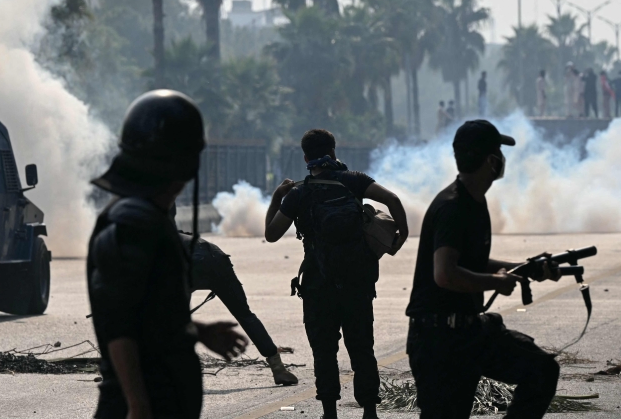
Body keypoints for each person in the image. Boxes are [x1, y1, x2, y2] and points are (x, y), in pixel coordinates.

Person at [87, 91, 249, 419]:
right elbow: (120, 325)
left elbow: (148, 314)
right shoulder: (134, 221)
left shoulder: (147, 216)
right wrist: (139, 406)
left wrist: (197, 331)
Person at [406, 120, 561, 419]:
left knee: (542, 370)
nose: (503, 159)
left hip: (468, 333)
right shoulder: (453, 207)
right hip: (438, 341)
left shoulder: (475, 202)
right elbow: (445, 274)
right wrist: (494, 282)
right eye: (499, 152)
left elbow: (471, 263)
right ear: (492, 161)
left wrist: (528, 269)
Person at [265, 130, 410, 419]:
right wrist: (401, 236)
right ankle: (369, 411)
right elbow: (392, 199)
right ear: (333, 151)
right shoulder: (354, 180)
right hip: (357, 280)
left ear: (306, 158)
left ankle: (330, 412)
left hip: (318, 284)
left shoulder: (299, 193)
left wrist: (276, 197)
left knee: (324, 350)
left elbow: (271, 234)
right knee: (362, 348)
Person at [182, 233, 298, 386]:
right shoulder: (166, 232)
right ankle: (279, 369)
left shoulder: (150, 240)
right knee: (245, 315)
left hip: (190, 263)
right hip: (217, 258)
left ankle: (177, 371)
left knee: (178, 318)